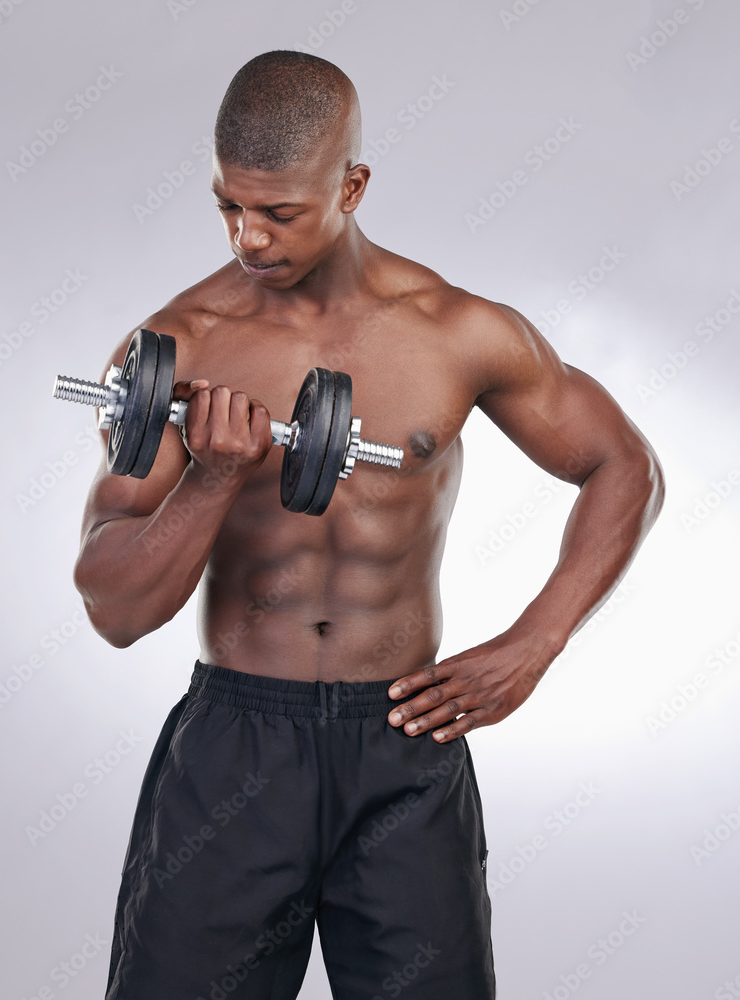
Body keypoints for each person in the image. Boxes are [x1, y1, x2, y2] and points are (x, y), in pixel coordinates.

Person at [73, 50, 664, 1000]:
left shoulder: (457, 331)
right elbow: (113, 606)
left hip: (403, 738)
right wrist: (215, 476)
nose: (247, 240)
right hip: (237, 743)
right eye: (228, 206)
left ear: (351, 186)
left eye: (278, 213)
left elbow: (619, 463)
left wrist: (535, 641)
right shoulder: (181, 346)